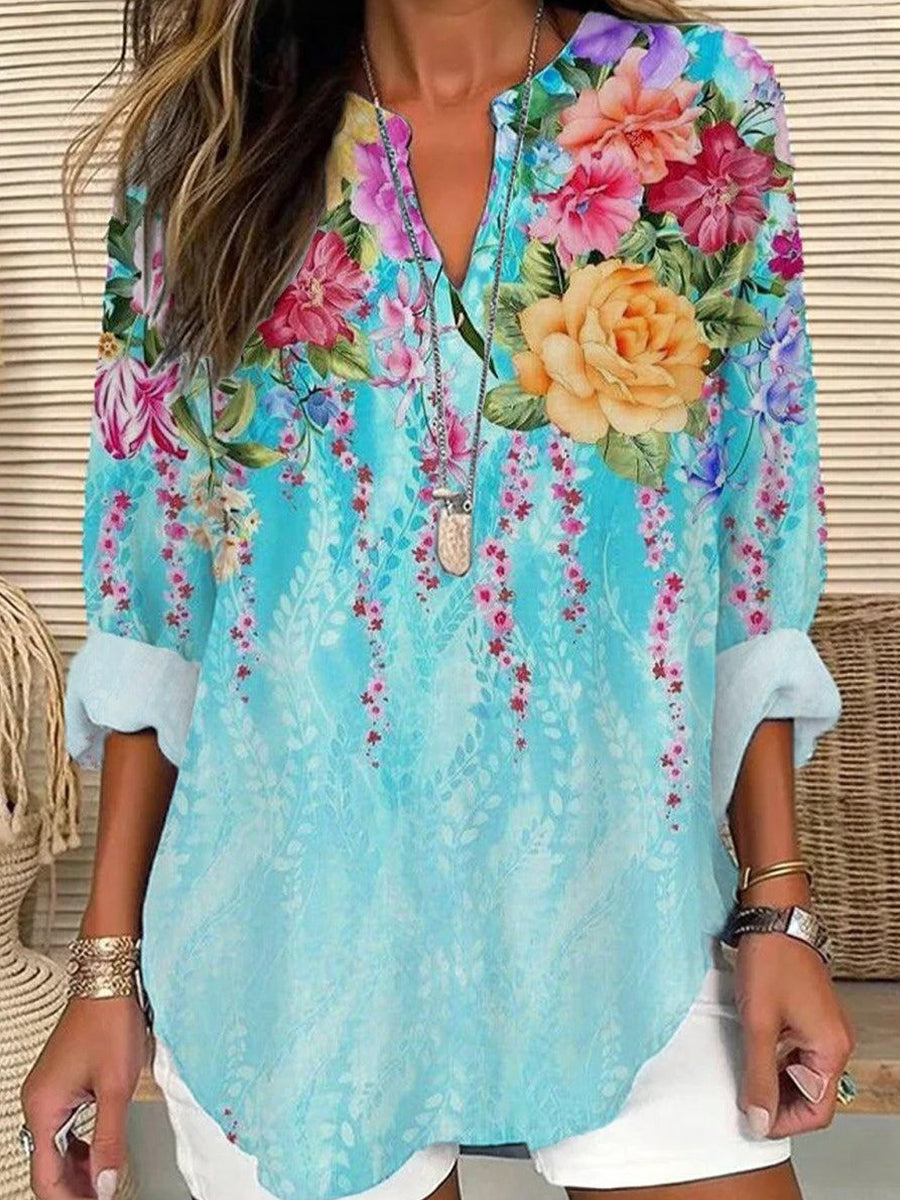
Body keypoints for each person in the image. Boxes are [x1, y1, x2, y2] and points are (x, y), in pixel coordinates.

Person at [20, 3, 856, 1199]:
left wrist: (778, 908)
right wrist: (106, 971)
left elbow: (750, 549)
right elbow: (160, 602)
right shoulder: (210, 147)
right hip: (293, 937)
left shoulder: (699, 102)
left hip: (628, 907)